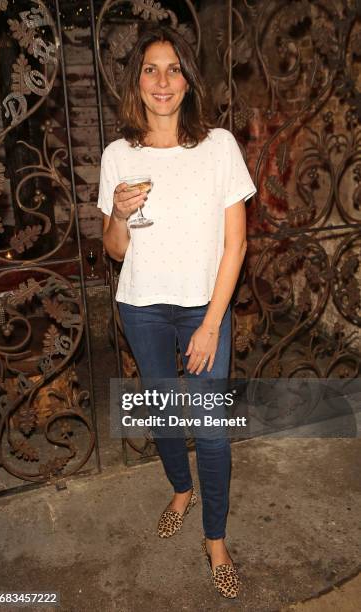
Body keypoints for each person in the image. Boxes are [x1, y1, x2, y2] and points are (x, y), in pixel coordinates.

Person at [97, 25, 257, 599]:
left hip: (203, 309)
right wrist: (116, 211)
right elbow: (116, 250)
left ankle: (215, 540)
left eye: (173, 69)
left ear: (188, 79)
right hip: (141, 307)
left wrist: (212, 323)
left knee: (212, 433)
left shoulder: (218, 147)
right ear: (135, 81)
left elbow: (235, 244)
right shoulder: (118, 155)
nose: (162, 81)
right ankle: (179, 490)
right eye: (150, 69)